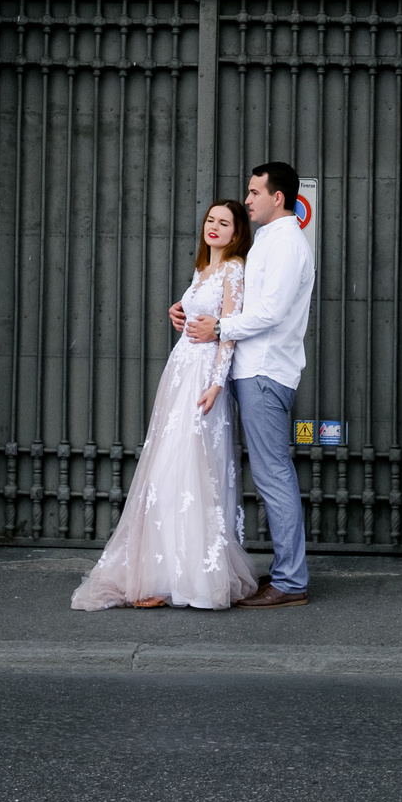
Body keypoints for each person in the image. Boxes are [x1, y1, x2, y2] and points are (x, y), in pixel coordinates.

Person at [70, 200, 259, 611]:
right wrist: (180, 309)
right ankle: (162, 573)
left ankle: (195, 576)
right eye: (211, 220)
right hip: (180, 370)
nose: (214, 227)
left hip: (202, 376)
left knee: (192, 469)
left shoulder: (233, 270)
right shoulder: (202, 269)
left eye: (224, 223)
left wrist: (216, 384)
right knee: (165, 470)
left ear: (237, 232)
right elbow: (198, 314)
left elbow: (228, 331)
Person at [176, 160, 314, 607]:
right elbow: (237, 299)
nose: (248, 198)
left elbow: (270, 312)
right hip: (250, 370)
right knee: (269, 473)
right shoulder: (268, 240)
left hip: (265, 372)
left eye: (255, 192)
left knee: (273, 475)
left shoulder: (287, 243)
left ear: (278, 197)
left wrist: (219, 328)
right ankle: (285, 573)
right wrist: (191, 310)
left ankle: (290, 582)